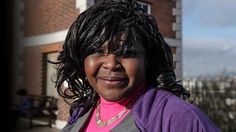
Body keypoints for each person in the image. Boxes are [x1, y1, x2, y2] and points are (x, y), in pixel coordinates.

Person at [54, 0, 220, 131]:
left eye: (127, 53)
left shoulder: (178, 118)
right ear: (82, 58)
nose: (111, 64)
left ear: (146, 59)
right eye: (98, 51)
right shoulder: (82, 109)